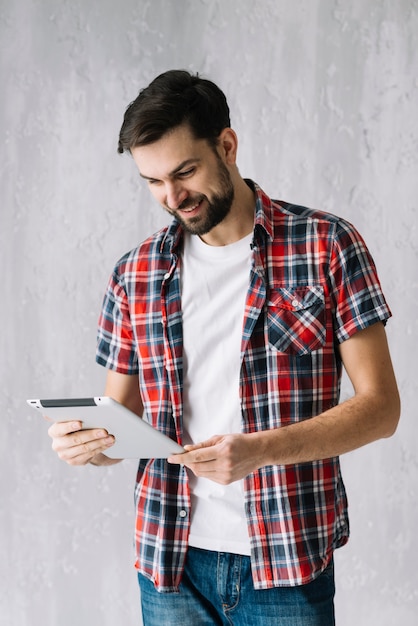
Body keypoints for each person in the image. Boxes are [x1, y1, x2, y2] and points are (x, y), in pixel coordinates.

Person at [48, 69, 400, 625]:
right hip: (170, 564)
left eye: (185, 171)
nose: (172, 197)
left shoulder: (327, 244)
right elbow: (120, 422)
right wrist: (91, 446)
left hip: (284, 561)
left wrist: (259, 450)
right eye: (152, 182)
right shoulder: (134, 273)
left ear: (227, 146)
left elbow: (381, 410)